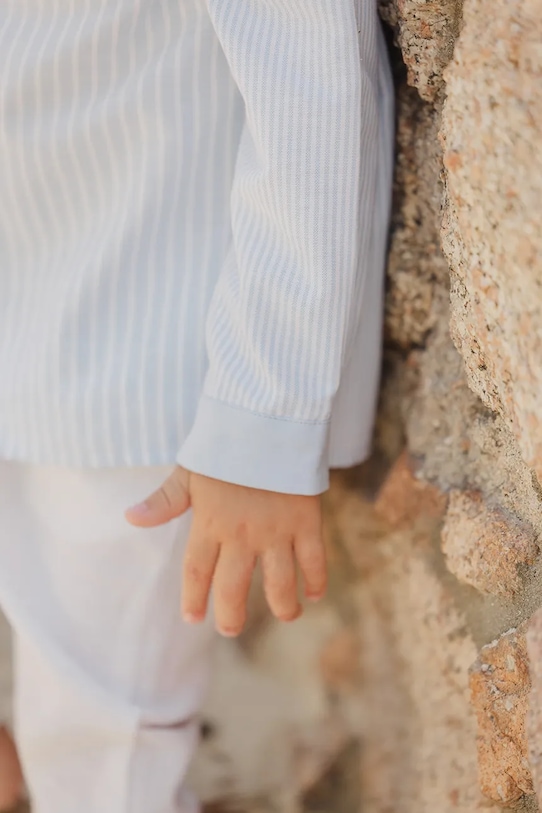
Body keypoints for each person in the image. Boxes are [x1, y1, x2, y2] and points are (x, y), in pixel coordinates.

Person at [0, 0, 394, 811]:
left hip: (138, 349)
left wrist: (261, 412)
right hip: (36, 294)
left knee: (101, 764)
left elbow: (311, 86)